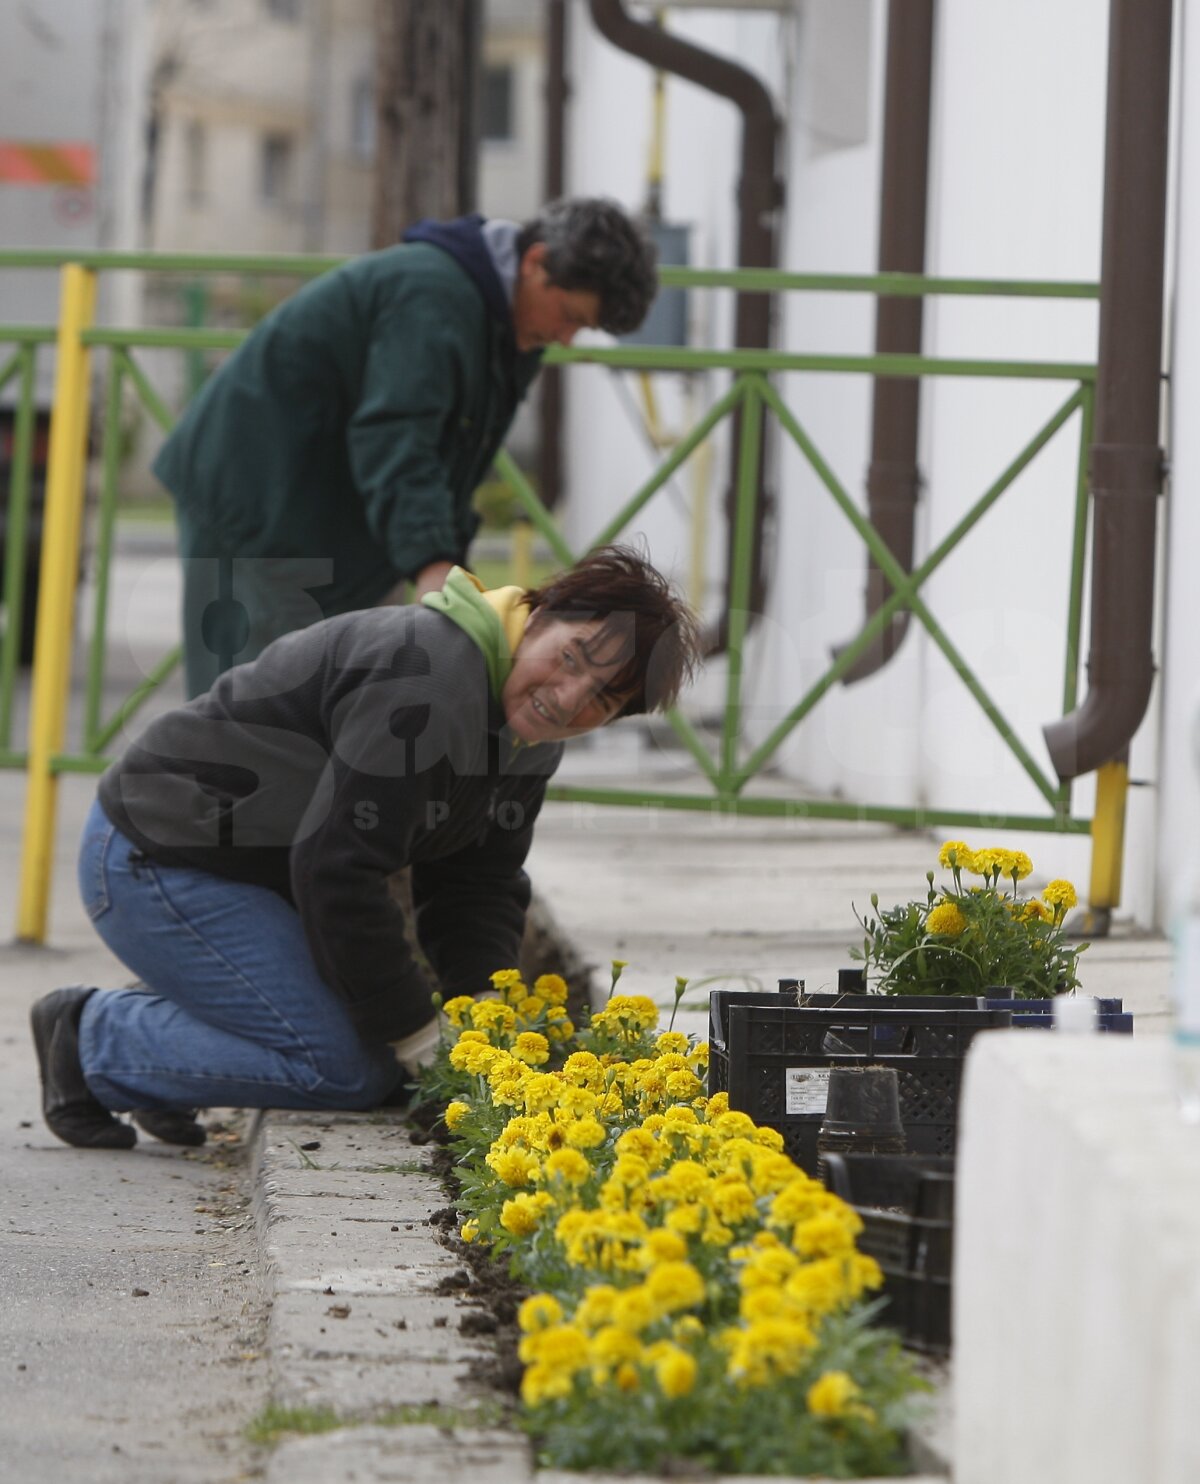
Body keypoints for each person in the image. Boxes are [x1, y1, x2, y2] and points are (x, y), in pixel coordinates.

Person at [30, 546, 701, 1150]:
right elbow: (336, 869)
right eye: (572, 658)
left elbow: (479, 884)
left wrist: (486, 1019)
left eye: (603, 699)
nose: (569, 697)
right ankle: (93, 1041)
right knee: (346, 1068)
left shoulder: (524, 736)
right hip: (153, 858)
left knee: (367, 1044)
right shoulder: (432, 676)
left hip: (242, 881)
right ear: (537, 614)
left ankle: (171, 1056)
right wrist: (421, 1041)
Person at [154, 197, 659, 698]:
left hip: (310, 508)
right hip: (256, 501)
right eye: (569, 315)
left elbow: (452, 462)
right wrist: (432, 562)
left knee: (303, 711)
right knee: (248, 716)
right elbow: (397, 435)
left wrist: (447, 566)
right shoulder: (435, 295)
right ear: (534, 262)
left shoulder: (502, 324)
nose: (566, 339)